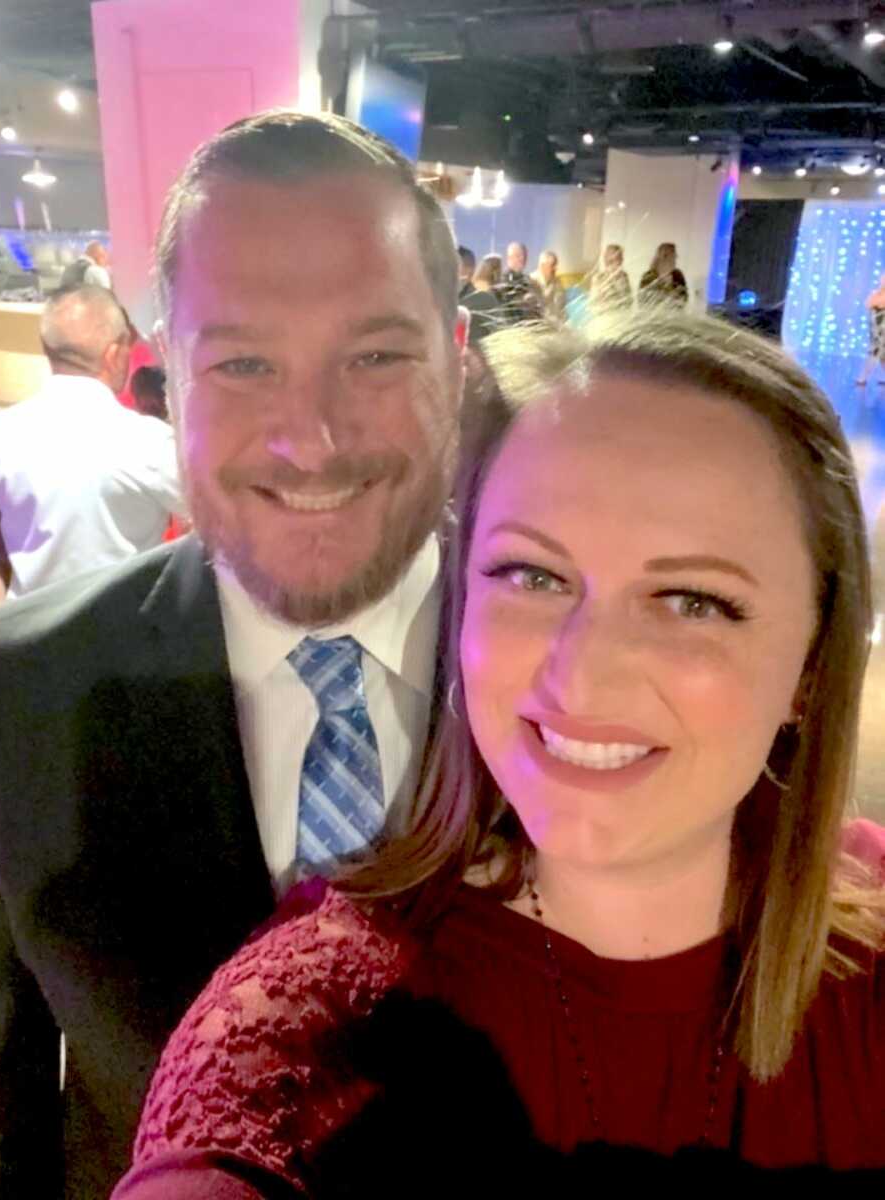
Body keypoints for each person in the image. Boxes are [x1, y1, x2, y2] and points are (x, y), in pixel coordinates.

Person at [115, 311, 885, 1199]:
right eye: (533, 576)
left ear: (812, 664)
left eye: (693, 601)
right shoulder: (318, 1020)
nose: (584, 676)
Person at [0, 109, 462, 1199]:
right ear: (164, 383)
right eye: (244, 362)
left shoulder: (581, 678)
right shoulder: (12, 696)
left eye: (377, 354)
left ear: (458, 357)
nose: (312, 439)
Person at [0, 285, 184, 607]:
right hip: (123, 635)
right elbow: (215, 524)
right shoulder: (149, 444)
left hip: (22, 639)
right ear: (114, 353)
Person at [497, 241, 543, 323]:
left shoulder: (527, 280)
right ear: (509, 258)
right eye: (518, 256)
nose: (522, 259)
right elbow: (507, 306)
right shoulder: (503, 280)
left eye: (524, 255)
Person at [856, 274, 885, 385]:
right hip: (876, 328)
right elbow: (869, 304)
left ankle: (863, 378)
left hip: (882, 329)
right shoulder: (877, 293)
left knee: (875, 352)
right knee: (882, 355)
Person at [639, 242, 688, 308]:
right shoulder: (648, 276)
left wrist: (678, 298)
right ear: (664, 256)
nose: (676, 257)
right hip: (655, 315)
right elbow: (642, 300)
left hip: (675, 314)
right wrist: (667, 296)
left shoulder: (678, 275)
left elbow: (685, 297)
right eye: (673, 255)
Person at [591, 243, 632, 310]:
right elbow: (593, 303)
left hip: (622, 315)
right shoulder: (598, 277)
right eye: (619, 257)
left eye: (621, 257)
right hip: (606, 315)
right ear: (610, 258)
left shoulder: (624, 276)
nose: (622, 259)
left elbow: (629, 300)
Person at [530, 250, 566, 324]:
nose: (555, 268)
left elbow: (561, 306)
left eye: (555, 265)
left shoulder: (557, 282)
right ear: (542, 266)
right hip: (537, 323)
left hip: (555, 323)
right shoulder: (531, 281)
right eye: (552, 265)